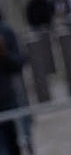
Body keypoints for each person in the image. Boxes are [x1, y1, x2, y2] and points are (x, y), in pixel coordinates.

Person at [0, 9, 26, 155]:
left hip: (7, 102)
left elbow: (19, 63)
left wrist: (4, 54)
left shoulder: (5, 31)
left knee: (11, 146)